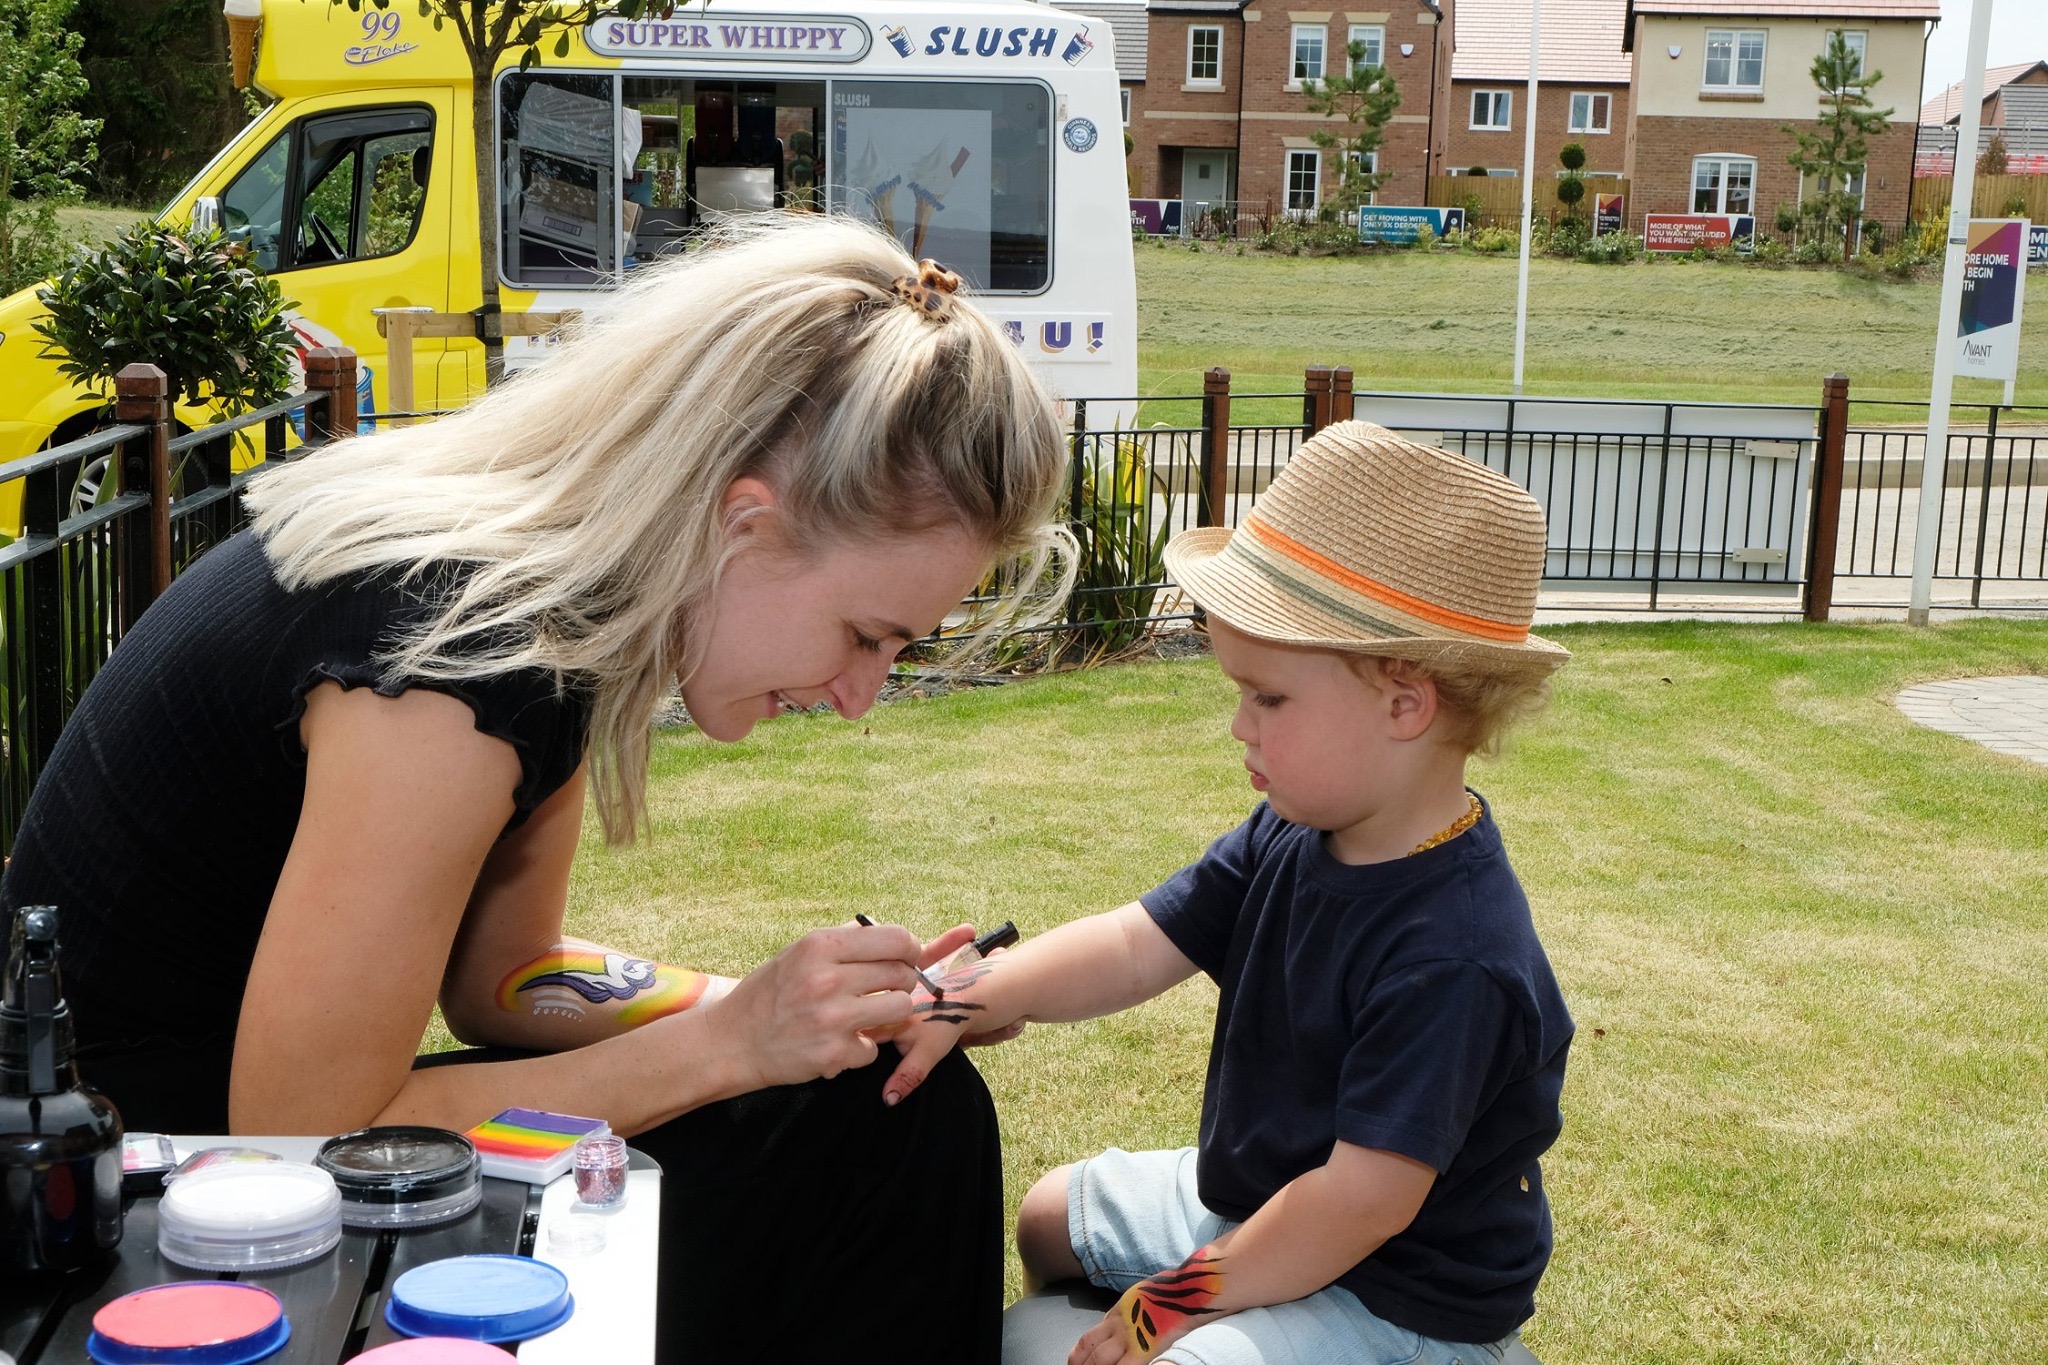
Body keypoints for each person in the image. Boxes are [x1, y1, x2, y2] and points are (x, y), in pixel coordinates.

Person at [0, 216, 1070, 1362]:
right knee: (889, 1136)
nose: (863, 694)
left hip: (214, 1150)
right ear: (742, 523)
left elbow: (504, 976)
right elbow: (308, 1129)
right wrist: (732, 1047)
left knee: (885, 1102)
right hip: (132, 1202)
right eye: (867, 635)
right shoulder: (447, 658)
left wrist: (797, 1009)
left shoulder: (545, 611)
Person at [887, 422, 1576, 1365]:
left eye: (1270, 697)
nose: (1238, 724)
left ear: (1404, 702)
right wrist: (964, 996)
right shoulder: (1293, 831)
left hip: (1394, 1290)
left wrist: (1162, 1308)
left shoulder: (1456, 954)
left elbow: (1356, 1203)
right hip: (1262, 1201)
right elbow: (1136, 942)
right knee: (1052, 1216)